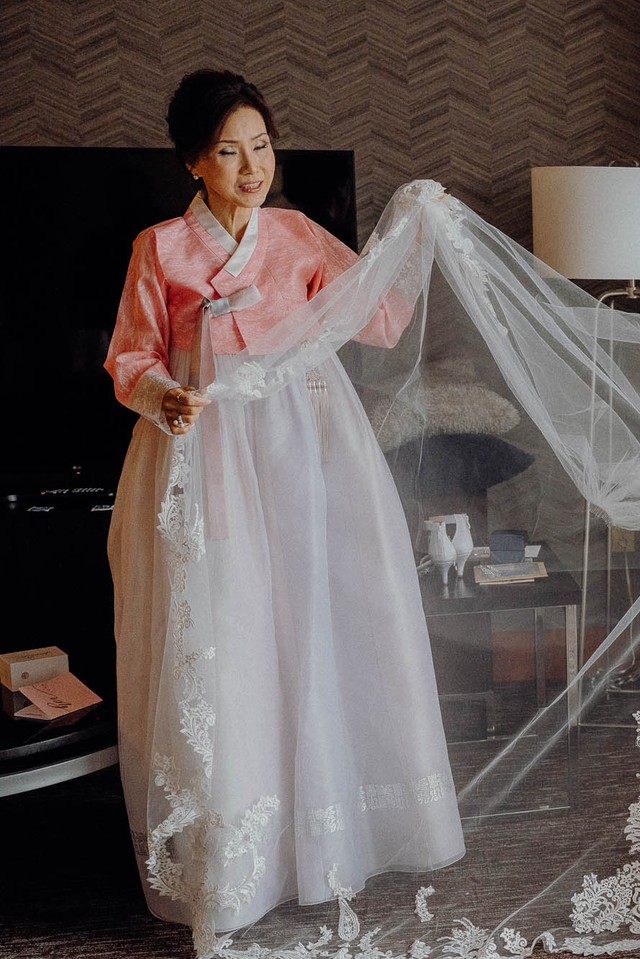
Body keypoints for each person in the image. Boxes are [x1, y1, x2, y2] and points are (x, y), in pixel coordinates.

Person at [104, 69, 463, 952]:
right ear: (194, 161)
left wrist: (409, 233)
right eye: (229, 150)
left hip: (305, 451)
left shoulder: (298, 234)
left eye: (261, 145)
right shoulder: (160, 249)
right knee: (226, 636)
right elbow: (129, 355)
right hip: (208, 449)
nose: (250, 164)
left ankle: (329, 838)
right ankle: (242, 858)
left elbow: (378, 317)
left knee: (317, 622)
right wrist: (163, 395)